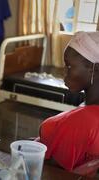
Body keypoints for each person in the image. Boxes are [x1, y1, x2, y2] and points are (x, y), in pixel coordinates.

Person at [39, 31, 99, 176]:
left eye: (69, 66)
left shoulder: (81, 121)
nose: (63, 72)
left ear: (94, 69)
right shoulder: (90, 110)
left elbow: (51, 173)